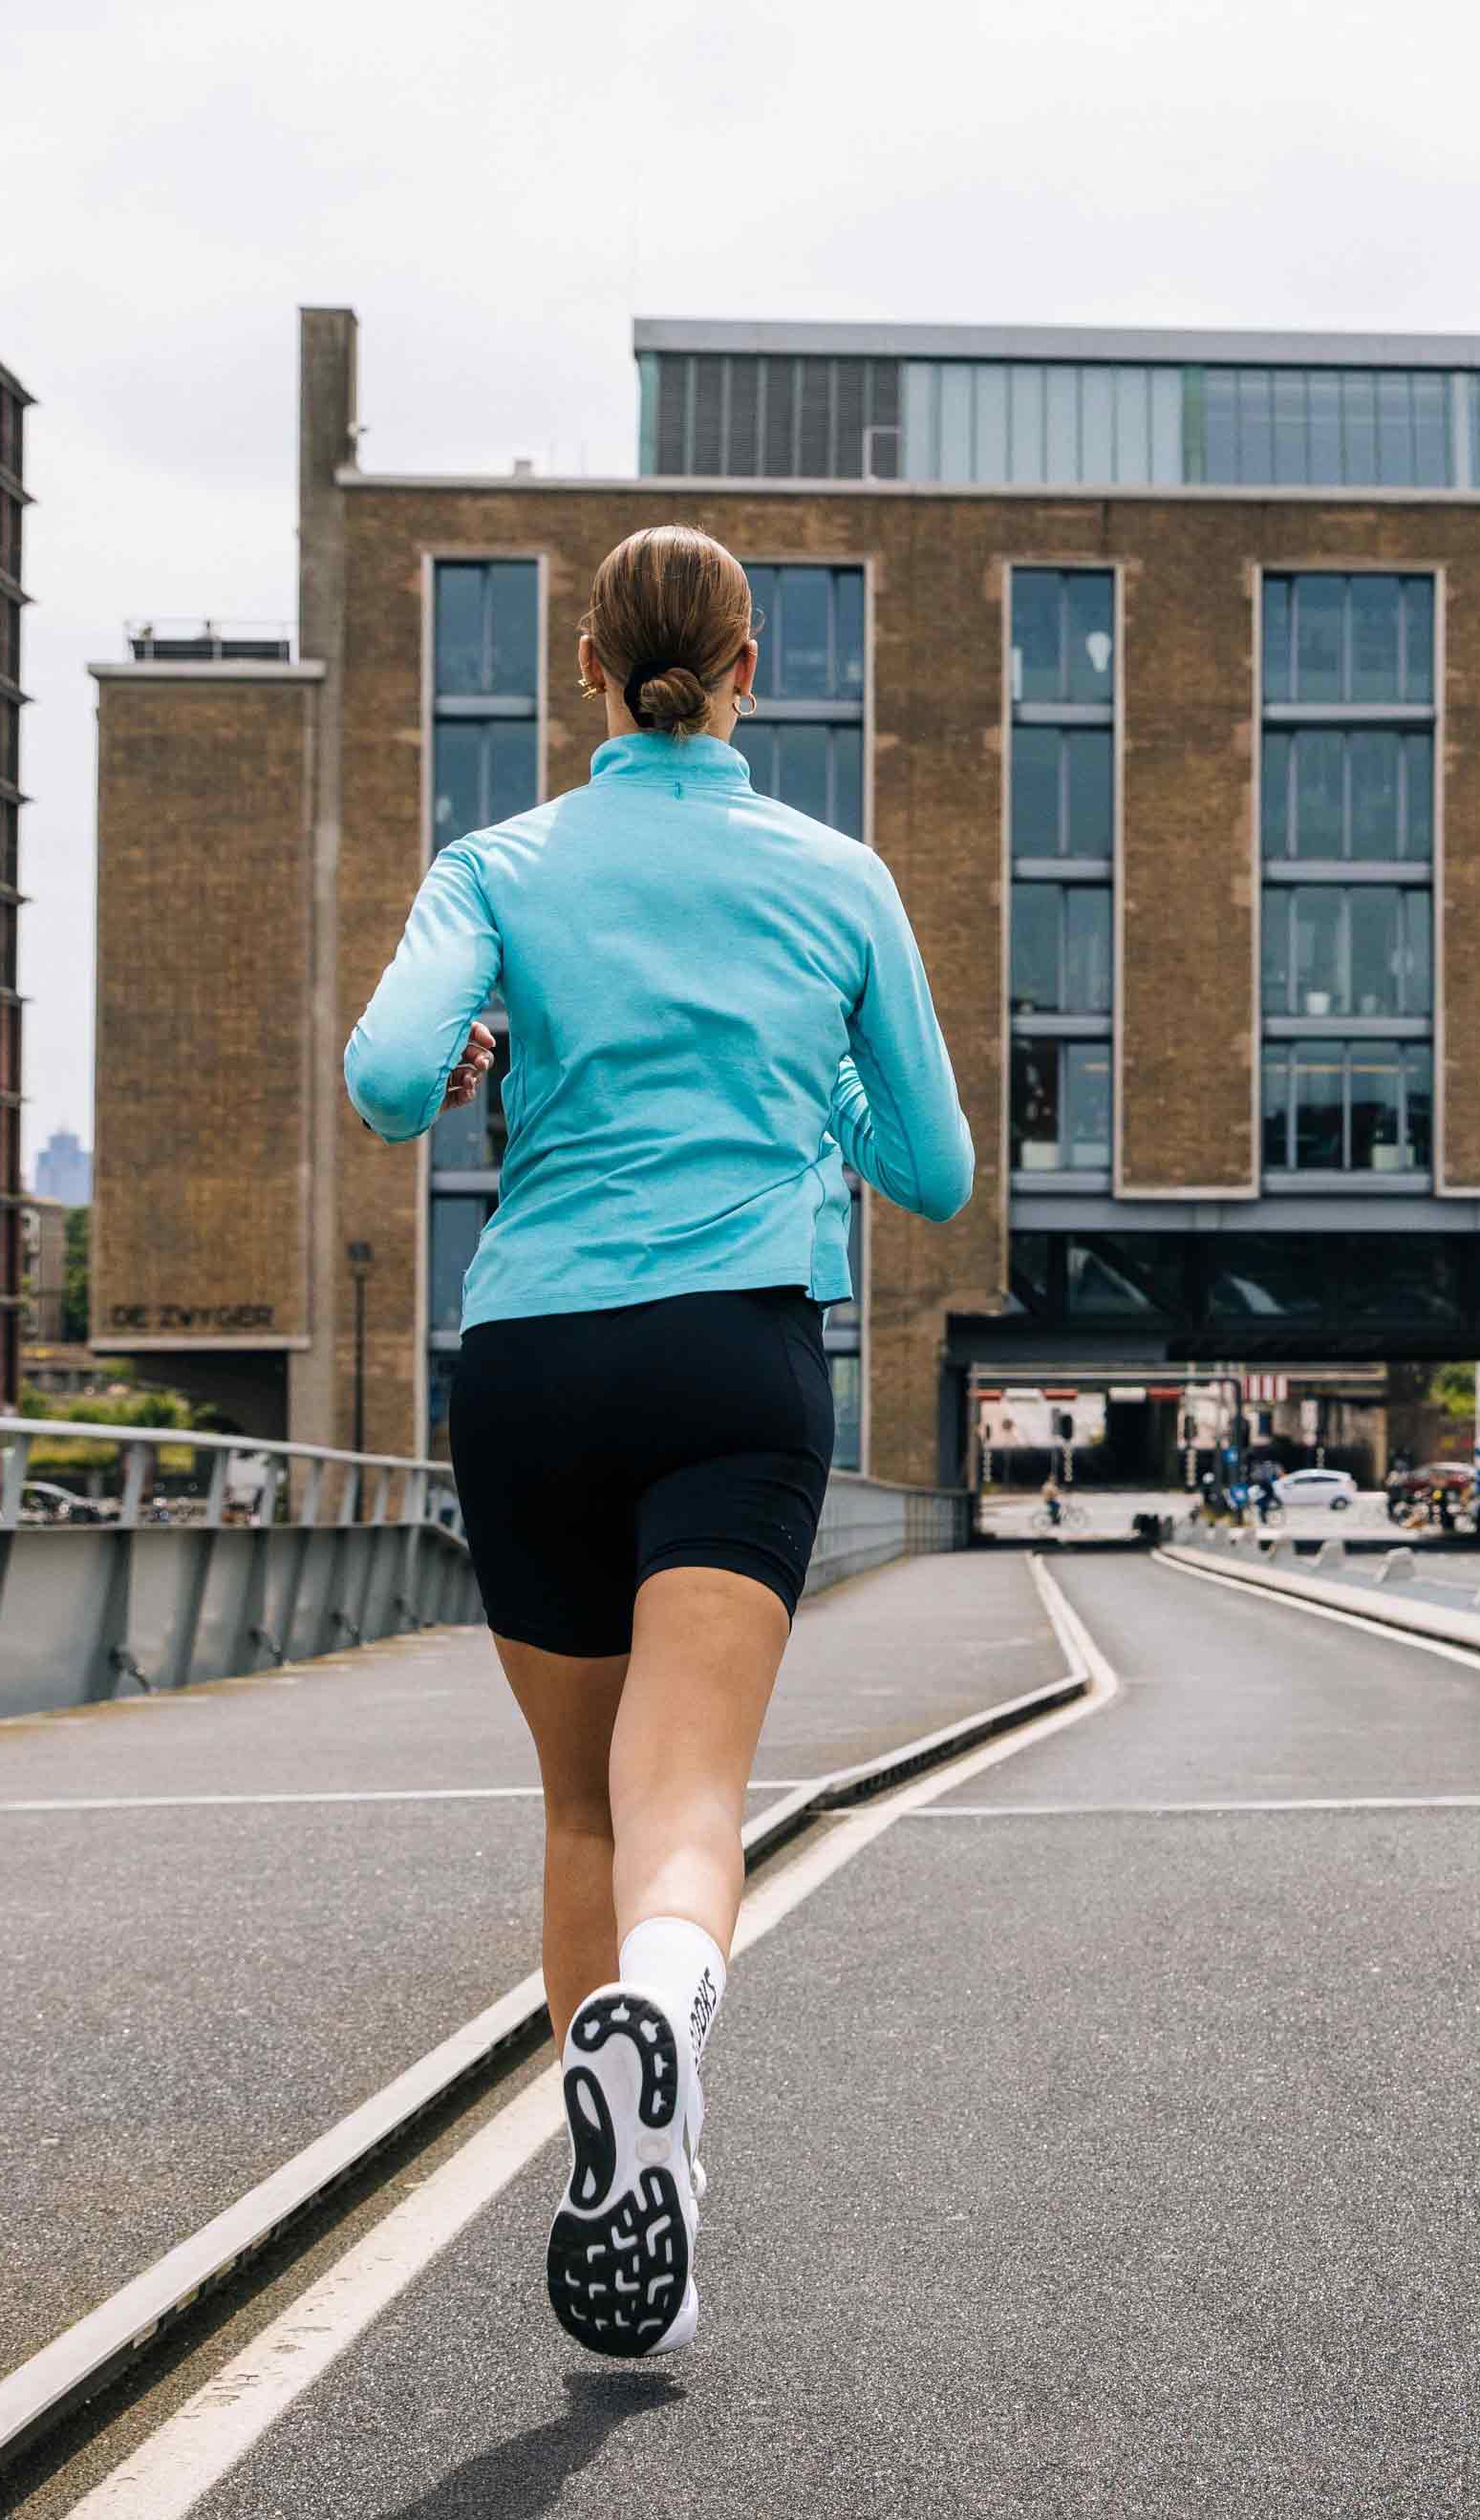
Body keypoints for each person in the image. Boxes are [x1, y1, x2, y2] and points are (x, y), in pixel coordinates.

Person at [346, 525, 973, 2360]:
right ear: (752, 671)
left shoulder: (499, 864)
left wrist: (483, 1032)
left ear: (588, 673)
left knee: (575, 1804)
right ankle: (671, 2023)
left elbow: (389, 1081)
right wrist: (808, 1065)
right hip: (732, 1360)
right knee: (684, 1797)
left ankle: (623, 2191)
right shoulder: (836, 878)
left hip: (532, 1355)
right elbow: (928, 1168)